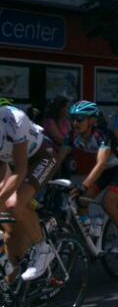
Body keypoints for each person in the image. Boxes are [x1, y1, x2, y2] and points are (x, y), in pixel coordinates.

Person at [57, 101, 118, 253]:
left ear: (92, 120)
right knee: (81, 200)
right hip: (107, 168)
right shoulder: (73, 136)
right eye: (73, 118)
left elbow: (100, 164)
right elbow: (57, 160)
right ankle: (91, 229)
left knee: (108, 202)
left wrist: (83, 185)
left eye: (80, 119)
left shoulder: (103, 135)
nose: (75, 123)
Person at [0, 104, 59, 282]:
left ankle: (43, 249)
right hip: (7, 161)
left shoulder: (15, 119)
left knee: (15, 204)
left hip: (40, 157)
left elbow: (20, 171)